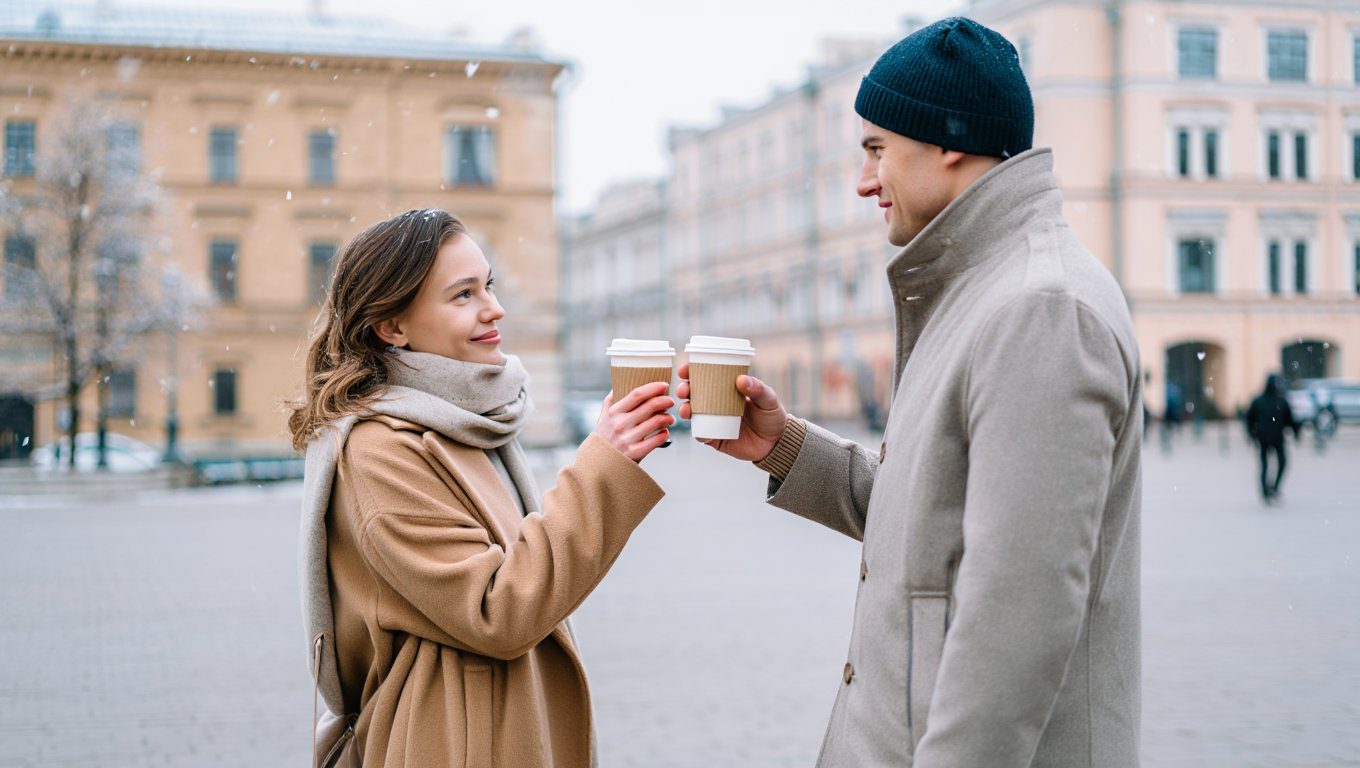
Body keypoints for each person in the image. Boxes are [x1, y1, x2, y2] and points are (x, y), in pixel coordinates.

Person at [678, 18, 1142, 767]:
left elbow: (1018, 614)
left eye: (876, 149)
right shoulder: (982, 289)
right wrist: (784, 447)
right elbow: (935, 521)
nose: (865, 181)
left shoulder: (1038, 309)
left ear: (948, 141)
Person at [289, 209, 675, 767]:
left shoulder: (467, 421)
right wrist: (603, 466)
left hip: (505, 723)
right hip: (449, 741)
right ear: (392, 326)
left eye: (487, 285)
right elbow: (498, 611)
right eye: (462, 295)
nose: (494, 309)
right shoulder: (380, 450)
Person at [1245, 373, 1300, 503]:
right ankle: (1269, 490)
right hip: (1269, 437)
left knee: (1273, 464)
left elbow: (1289, 419)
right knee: (1270, 464)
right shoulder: (1273, 401)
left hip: (1270, 437)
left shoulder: (1276, 401)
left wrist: (1251, 434)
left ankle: (1271, 489)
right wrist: (1252, 434)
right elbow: (1250, 419)